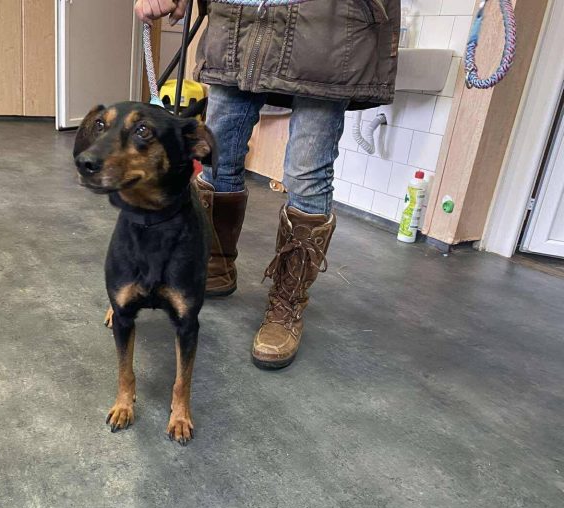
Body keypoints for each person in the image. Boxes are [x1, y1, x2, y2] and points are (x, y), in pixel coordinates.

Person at [135, 0, 400, 369]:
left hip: (331, 28)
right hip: (238, 24)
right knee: (218, 158)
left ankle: (287, 305)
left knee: (306, 172)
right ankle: (216, 265)